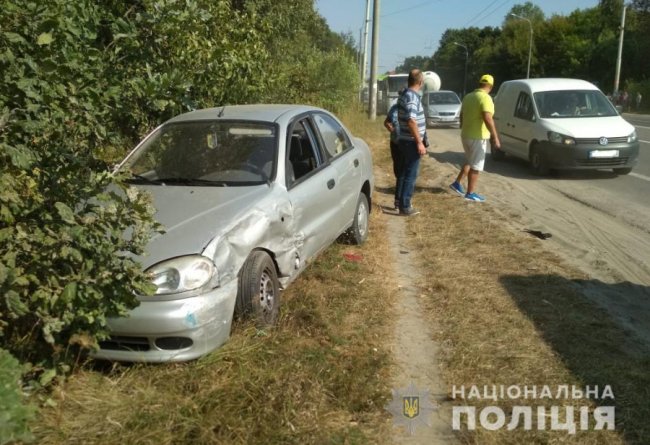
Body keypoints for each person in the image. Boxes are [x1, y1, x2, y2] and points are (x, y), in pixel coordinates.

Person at [449, 74, 500, 202]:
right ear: (491, 86)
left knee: (469, 160)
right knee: (476, 166)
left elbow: (462, 115)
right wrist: (495, 136)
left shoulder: (468, 96)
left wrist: (463, 125)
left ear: (479, 83)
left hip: (466, 135)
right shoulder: (486, 98)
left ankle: (457, 183)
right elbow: (487, 118)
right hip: (478, 136)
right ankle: (470, 193)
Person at [396, 69, 427, 216]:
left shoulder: (406, 95)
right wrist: (419, 142)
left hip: (404, 140)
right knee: (411, 174)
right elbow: (411, 121)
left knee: (404, 172)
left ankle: (400, 202)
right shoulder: (412, 97)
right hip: (410, 142)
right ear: (420, 82)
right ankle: (405, 206)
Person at [384, 90, 404, 209]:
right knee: (398, 172)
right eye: (400, 96)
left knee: (402, 173)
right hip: (395, 143)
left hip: (405, 144)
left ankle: (399, 200)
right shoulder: (394, 108)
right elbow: (386, 122)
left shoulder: (409, 109)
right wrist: (392, 129)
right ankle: (400, 198)